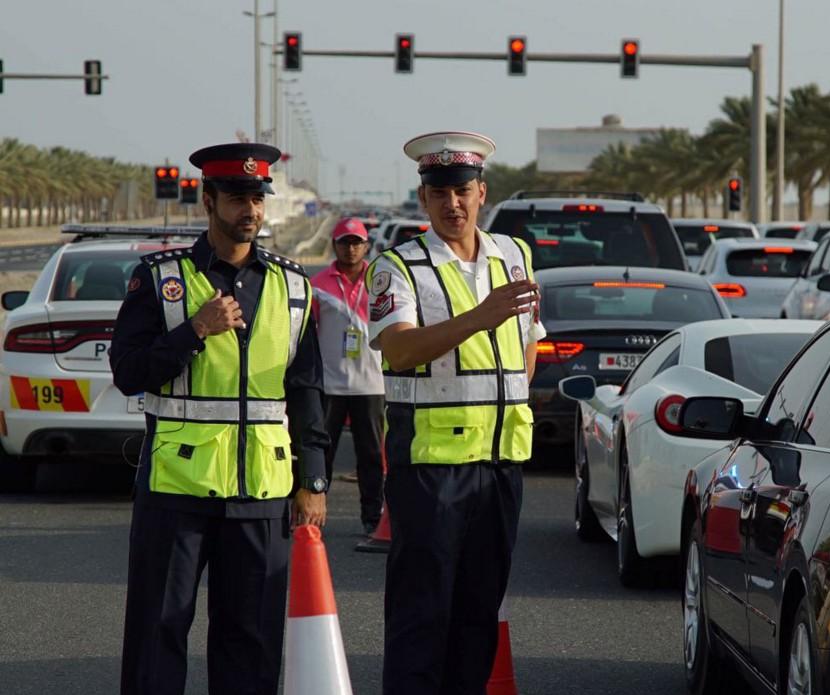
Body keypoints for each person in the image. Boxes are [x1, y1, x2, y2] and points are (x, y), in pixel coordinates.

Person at [111, 142, 329, 695]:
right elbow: (129, 372)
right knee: (157, 633)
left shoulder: (293, 285)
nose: (250, 211)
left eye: (257, 198)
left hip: (261, 491)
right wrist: (194, 331)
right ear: (207, 201)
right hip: (176, 488)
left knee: (252, 640)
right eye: (237, 198)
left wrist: (315, 480)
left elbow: (305, 391)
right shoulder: (160, 279)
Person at [368, 131, 545, 695]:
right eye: (439, 192)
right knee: (422, 619)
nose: (452, 203)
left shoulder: (514, 255)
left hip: (499, 467)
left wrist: (510, 388)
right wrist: (479, 316)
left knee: (477, 616)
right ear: (422, 199)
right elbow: (398, 350)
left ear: (482, 193)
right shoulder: (396, 267)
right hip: (430, 469)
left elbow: (530, 339)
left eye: (462, 191)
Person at [311, 217, 385, 534]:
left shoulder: (382, 280)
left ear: (366, 246)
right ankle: (314, 515)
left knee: (370, 456)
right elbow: (309, 333)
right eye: (345, 242)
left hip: (371, 384)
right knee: (320, 453)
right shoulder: (317, 283)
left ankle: (372, 518)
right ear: (335, 244)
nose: (351, 248)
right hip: (330, 383)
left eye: (357, 242)